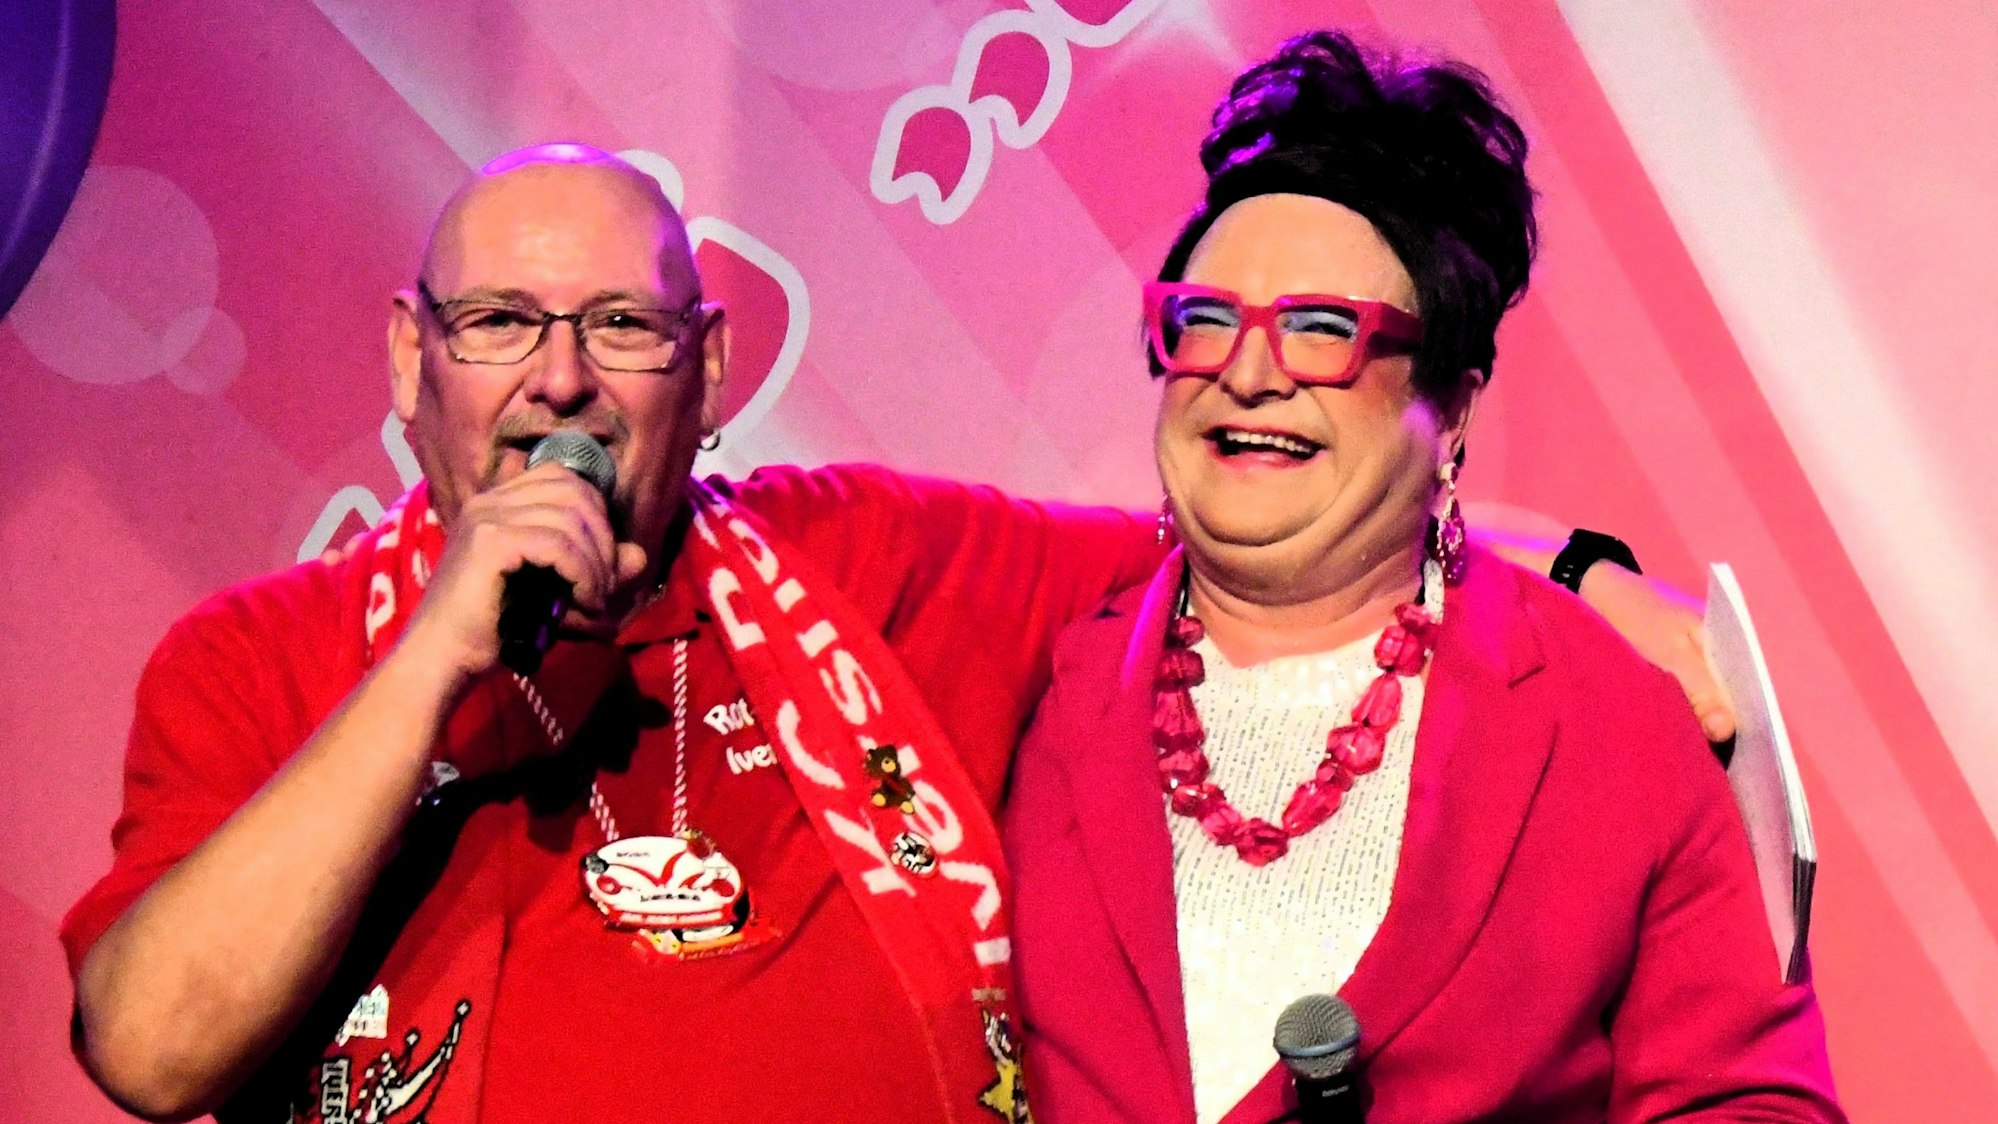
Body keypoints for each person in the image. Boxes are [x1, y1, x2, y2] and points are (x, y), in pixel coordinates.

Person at [64, 143, 1739, 1123]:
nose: (558, 377)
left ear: (710, 374)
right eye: (500, 320)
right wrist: (436, 651)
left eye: (621, 326)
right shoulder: (255, 658)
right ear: (407, 362)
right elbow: (147, 1046)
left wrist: (1568, 558)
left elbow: (1259, 515)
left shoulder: (863, 557)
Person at [1002, 32, 1842, 1124]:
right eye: (1205, 322)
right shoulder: (1024, 673)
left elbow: (1751, 1100)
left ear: (1450, 407)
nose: (1250, 373)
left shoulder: (1617, 719)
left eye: (1322, 331)